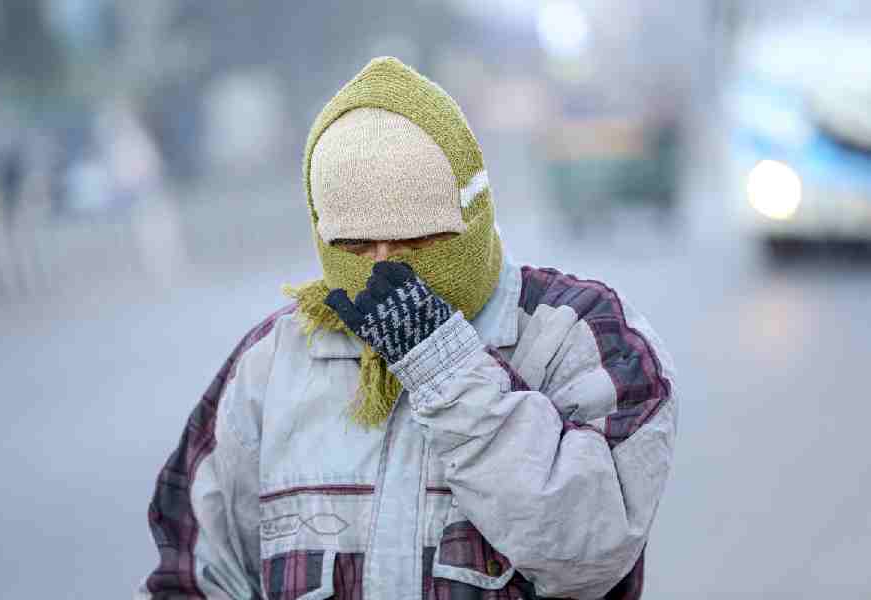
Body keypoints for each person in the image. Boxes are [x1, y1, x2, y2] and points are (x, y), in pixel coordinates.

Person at [138, 57, 678, 600]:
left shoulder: (578, 337)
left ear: (469, 218)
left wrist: (443, 367)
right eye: (354, 245)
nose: (381, 268)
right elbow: (193, 577)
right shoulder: (272, 365)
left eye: (412, 242)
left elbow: (590, 553)